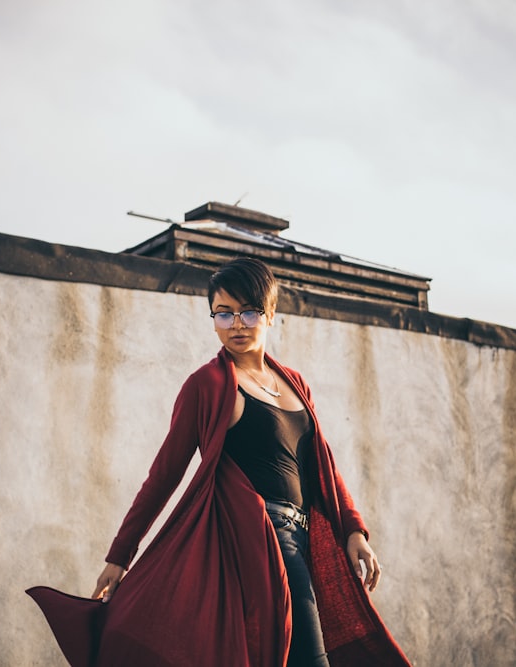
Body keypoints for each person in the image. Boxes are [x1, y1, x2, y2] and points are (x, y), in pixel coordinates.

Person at [31, 257, 411, 666]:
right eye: (224, 313)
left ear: (270, 314)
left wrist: (354, 531)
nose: (236, 325)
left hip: (307, 538)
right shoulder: (207, 386)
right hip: (262, 539)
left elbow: (322, 466)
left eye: (248, 312)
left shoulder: (295, 383)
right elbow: (163, 476)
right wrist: (119, 555)